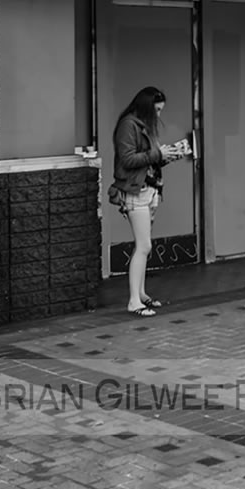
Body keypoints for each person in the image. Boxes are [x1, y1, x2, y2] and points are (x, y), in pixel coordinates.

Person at [111, 86, 183, 317]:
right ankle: (134, 301)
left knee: (142, 246)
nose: (159, 115)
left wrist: (166, 156)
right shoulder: (128, 125)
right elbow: (128, 159)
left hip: (148, 189)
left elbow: (147, 159)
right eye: (157, 110)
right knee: (144, 246)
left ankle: (141, 294)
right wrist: (159, 154)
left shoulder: (143, 125)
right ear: (146, 107)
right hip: (135, 191)